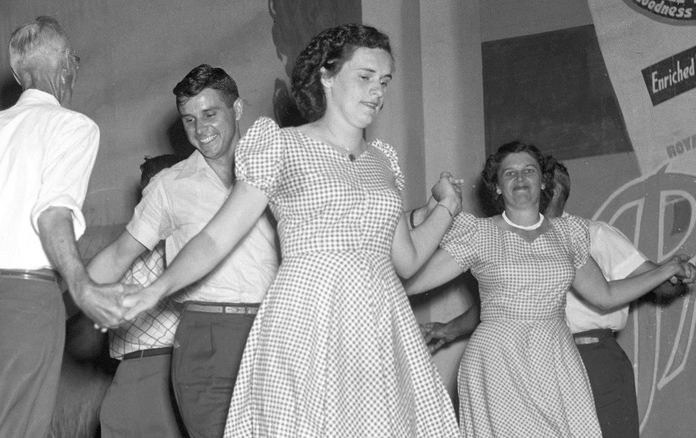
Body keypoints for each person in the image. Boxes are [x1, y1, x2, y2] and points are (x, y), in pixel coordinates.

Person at [121, 24, 463, 437]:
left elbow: (406, 261)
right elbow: (215, 238)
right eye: (365, 77)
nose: (377, 91)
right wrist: (156, 290)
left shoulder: (382, 162)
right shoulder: (281, 146)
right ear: (326, 75)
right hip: (308, 318)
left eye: (384, 81)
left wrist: (446, 208)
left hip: (378, 323)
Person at [404, 141, 696, 437]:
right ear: (496, 186)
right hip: (498, 360)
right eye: (509, 174)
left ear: (543, 181)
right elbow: (412, 279)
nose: (520, 179)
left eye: (528, 170)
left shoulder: (569, 235)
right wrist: (437, 207)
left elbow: (605, 296)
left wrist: (667, 268)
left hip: (557, 359)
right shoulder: (479, 233)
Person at [0, 16, 129, 437]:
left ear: (21, 74)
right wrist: (82, 286)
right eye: (74, 61)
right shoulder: (73, 127)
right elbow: (51, 211)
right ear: (65, 67)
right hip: (22, 304)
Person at [87, 64, 279, 438]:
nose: (200, 129)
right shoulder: (168, 186)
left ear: (237, 109)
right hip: (204, 336)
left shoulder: (280, 169)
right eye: (189, 119)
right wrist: (68, 296)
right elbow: (118, 255)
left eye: (210, 114)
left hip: (274, 328)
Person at [544, 158, 689, 438]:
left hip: (592, 356)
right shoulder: (515, 241)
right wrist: (448, 328)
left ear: (557, 191)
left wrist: (673, 275)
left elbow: (657, 282)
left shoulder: (594, 234)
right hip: (540, 359)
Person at [97, 154, 187, 438]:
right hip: (135, 374)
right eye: (148, 192)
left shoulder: (185, 248)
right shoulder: (133, 250)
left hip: (162, 371)